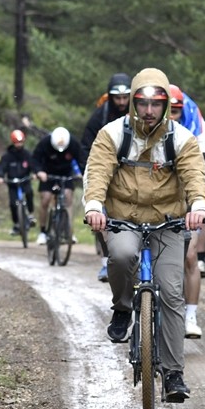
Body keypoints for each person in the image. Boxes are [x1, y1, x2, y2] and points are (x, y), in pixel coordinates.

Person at [83, 68, 205, 403]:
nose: (149, 110)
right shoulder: (112, 134)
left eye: (157, 103)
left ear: (166, 104)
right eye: (142, 102)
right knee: (123, 255)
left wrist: (198, 205)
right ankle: (123, 307)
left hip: (167, 221)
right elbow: (97, 172)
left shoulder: (180, 137)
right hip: (123, 217)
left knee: (171, 292)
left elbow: (195, 175)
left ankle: (173, 373)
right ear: (133, 103)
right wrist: (95, 206)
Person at [169, 85, 205, 339]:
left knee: (189, 255)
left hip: (189, 189)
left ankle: (190, 316)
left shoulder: (198, 127)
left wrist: (201, 203)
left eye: (175, 111)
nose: (169, 116)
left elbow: (204, 169)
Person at [82, 73, 133, 282]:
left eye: (125, 97)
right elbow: (86, 144)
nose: (121, 102)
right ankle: (105, 262)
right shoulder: (100, 116)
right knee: (98, 213)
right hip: (105, 170)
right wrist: (90, 170)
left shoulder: (140, 113)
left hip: (132, 171)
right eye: (117, 98)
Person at [30, 126, 85, 245]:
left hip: (66, 174)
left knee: (68, 198)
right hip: (48, 174)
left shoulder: (73, 144)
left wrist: (82, 173)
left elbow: (82, 160)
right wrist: (39, 171)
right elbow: (35, 159)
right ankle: (43, 232)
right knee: (45, 199)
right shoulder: (45, 143)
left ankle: (69, 232)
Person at [0, 129, 35, 235]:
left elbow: (33, 165)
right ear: (13, 142)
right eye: (17, 142)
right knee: (13, 204)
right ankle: (17, 223)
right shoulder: (7, 156)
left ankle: (30, 214)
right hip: (12, 183)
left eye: (20, 142)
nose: (19, 145)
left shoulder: (27, 154)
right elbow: (1, 167)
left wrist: (35, 173)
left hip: (25, 181)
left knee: (29, 193)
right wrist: (0, 176)